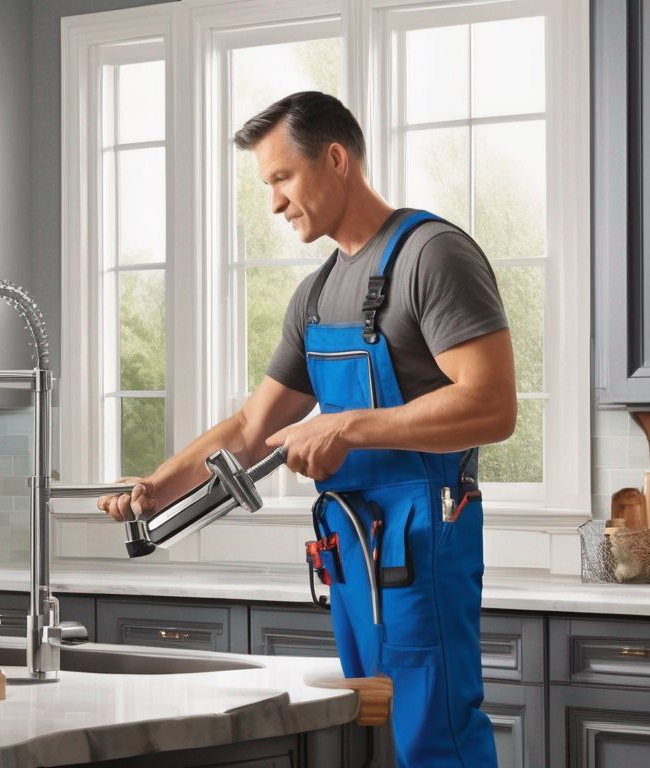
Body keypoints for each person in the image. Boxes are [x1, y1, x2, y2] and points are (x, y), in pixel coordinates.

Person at [98, 91, 515, 766]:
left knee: (434, 735)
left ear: (336, 158)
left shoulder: (432, 256)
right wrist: (156, 487)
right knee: (368, 734)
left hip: (424, 539)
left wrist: (348, 427)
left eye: (281, 178)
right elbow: (252, 426)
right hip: (351, 547)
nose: (273, 203)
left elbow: (494, 407)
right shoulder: (317, 295)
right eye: (267, 185)